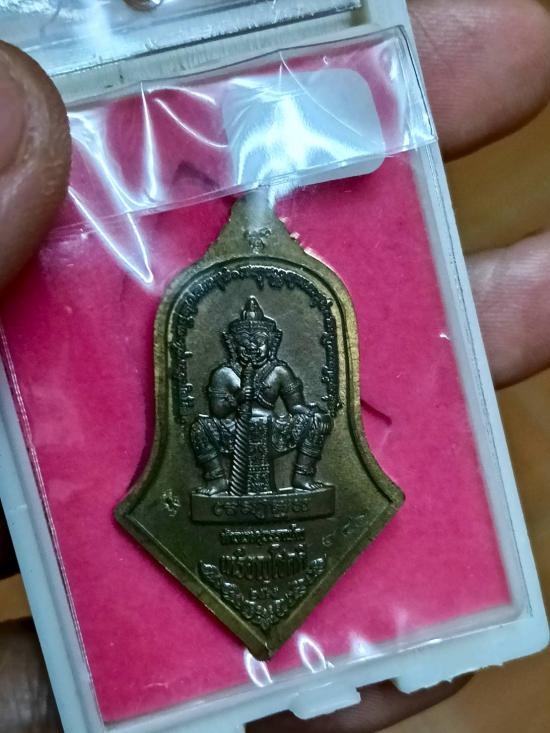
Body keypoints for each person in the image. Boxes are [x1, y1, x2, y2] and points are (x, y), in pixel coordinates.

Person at [1, 0, 550, 729]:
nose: (255, 352)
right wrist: (235, 412)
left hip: (282, 461)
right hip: (232, 459)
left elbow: (303, 407)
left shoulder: (280, 365)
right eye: (247, 346)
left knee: (304, 430)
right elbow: (210, 411)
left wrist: (286, 416)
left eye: (260, 346)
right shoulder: (226, 369)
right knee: (217, 437)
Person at [190, 296, 332, 495]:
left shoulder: (279, 371)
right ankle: (217, 480)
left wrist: (314, 414)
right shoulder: (224, 374)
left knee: (318, 420)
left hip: (274, 432)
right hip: (234, 432)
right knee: (199, 428)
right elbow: (217, 412)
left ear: (271, 343)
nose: (252, 347)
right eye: (244, 342)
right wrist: (237, 398)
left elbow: (295, 406)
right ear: (233, 345)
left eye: (259, 341)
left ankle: (303, 476)